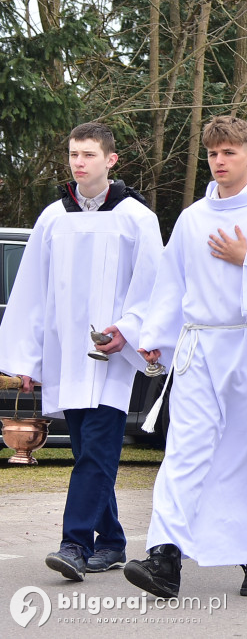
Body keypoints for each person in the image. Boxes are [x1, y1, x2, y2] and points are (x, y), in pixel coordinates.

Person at [124, 116, 247, 599]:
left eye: (229, 152)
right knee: (184, 451)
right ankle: (164, 558)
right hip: (199, 348)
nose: (219, 161)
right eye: (213, 153)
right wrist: (157, 334)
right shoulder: (192, 219)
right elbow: (173, 283)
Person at [0, 122, 162, 581]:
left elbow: (152, 285)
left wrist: (129, 331)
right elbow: (31, 291)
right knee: (89, 452)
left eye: (88, 154)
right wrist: (27, 362)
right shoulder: (54, 217)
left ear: (111, 160)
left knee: (96, 452)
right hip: (65, 356)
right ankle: (110, 543)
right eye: (73, 153)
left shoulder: (136, 218)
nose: (78, 162)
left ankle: (74, 544)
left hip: (112, 357)